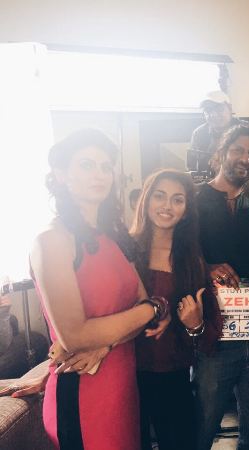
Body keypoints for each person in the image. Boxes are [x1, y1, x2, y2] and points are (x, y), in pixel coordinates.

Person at [30, 129, 170, 450]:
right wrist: (154, 308)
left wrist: (107, 343)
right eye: (87, 165)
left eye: (106, 167)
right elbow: (75, 337)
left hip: (123, 385)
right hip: (82, 391)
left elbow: (140, 303)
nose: (100, 174)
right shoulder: (51, 240)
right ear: (61, 174)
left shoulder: (115, 237)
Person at [194, 124, 249, 450]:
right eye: (238, 150)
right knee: (200, 428)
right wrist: (206, 267)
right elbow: (173, 256)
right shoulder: (195, 198)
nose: (245, 158)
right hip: (214, 334)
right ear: (222, 152)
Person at [130, 169, 222, 450]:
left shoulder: (192, 261)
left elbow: (209, 338)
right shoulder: (123, 251)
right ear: (146, 200)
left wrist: (195, 325)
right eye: (159, 196)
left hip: (174, 376)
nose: (167, 206)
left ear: (186, 210)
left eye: (177, 199)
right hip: (124, 376)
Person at [188, 90, 248, 179]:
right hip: (208, 181)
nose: (214, 115)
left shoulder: (246, 129)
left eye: (219, 109)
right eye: (208, 110)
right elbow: (192, 167)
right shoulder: (199, 134)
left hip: (241, 180)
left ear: (230, 108)